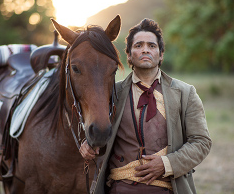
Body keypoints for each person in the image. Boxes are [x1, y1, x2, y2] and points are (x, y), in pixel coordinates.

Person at [79, 18, 212, 194]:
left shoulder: (185, 93)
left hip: (168, 188)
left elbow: (201, 142)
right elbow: (99, 129)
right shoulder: (112, 93)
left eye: (151, 46)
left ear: (161, 54)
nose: (145, 50)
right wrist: (87, 144)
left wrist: (167, 164)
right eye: (138, 45)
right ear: (128, 55)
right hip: (120, 188)